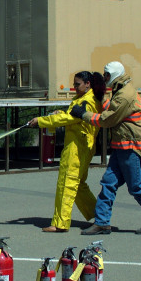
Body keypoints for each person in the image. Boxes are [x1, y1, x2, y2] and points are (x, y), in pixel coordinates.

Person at [70, 61, 141, 235]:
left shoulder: (125, 95)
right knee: (108, 184)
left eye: (106, 75)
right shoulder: (120, 91)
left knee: (136, 187)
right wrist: (101, 96)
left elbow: (108, 119)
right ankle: (102, 222)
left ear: (113, 75)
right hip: (122, 146)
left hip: (132, 148)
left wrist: (83, 114)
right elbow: (112, 110)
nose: (105, 78)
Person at [28, 71, 106, 232]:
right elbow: (72, 116)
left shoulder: (87, 100)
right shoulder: (83, 98)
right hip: (81, 145)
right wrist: (60, 113)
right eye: (74, 84)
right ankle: (100, 217)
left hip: (77, 147)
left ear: (87, 84)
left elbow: (70, 119)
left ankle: (60, 223)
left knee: (66, 183)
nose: (75, 87)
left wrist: (41, 121)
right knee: (78, 185)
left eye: (77, 84)